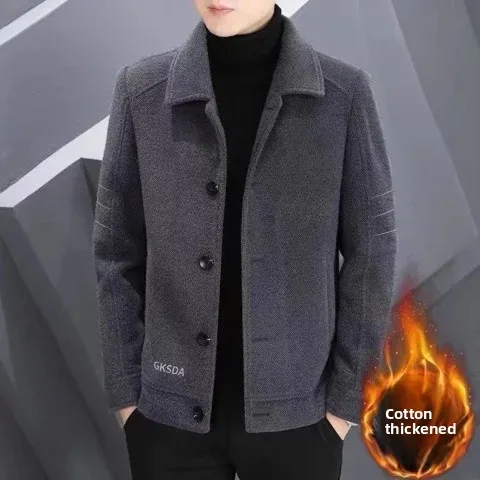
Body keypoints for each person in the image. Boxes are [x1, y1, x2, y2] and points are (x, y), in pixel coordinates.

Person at [92, 1, 397, 479]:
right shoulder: (141, 91)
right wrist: (128, 395)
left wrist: (344, 406)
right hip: (166, 419)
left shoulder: (343, 95)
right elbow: (116, 252)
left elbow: (372, 251)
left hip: (302, 421)